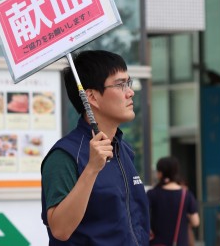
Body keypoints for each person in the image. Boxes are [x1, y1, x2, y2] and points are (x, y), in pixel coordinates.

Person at [40, 50, 150, 245]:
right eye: (120, 84)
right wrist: (92, 168)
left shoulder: (124, 149)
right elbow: (60, 229)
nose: (130, 92)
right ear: (91, 96)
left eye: (129, 83)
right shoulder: (64, 156)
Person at [147, 156, 200, 246]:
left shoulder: (152, 194)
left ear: (160, 173)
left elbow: (142, 217)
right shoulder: (186, 195)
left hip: (157, 243)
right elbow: (195, 222)